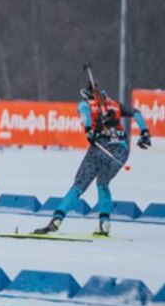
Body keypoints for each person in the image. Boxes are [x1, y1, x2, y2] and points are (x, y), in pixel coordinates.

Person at [33, 85, 151, 237]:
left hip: (100, 148)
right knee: (103, 183)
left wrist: (89, 129)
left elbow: (84, 113)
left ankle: (56, 220)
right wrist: (144, 132)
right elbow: (136, 112)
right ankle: (104, 224)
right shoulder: (114, 104)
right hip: (121, 151)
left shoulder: (85, 104)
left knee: (78, 185)